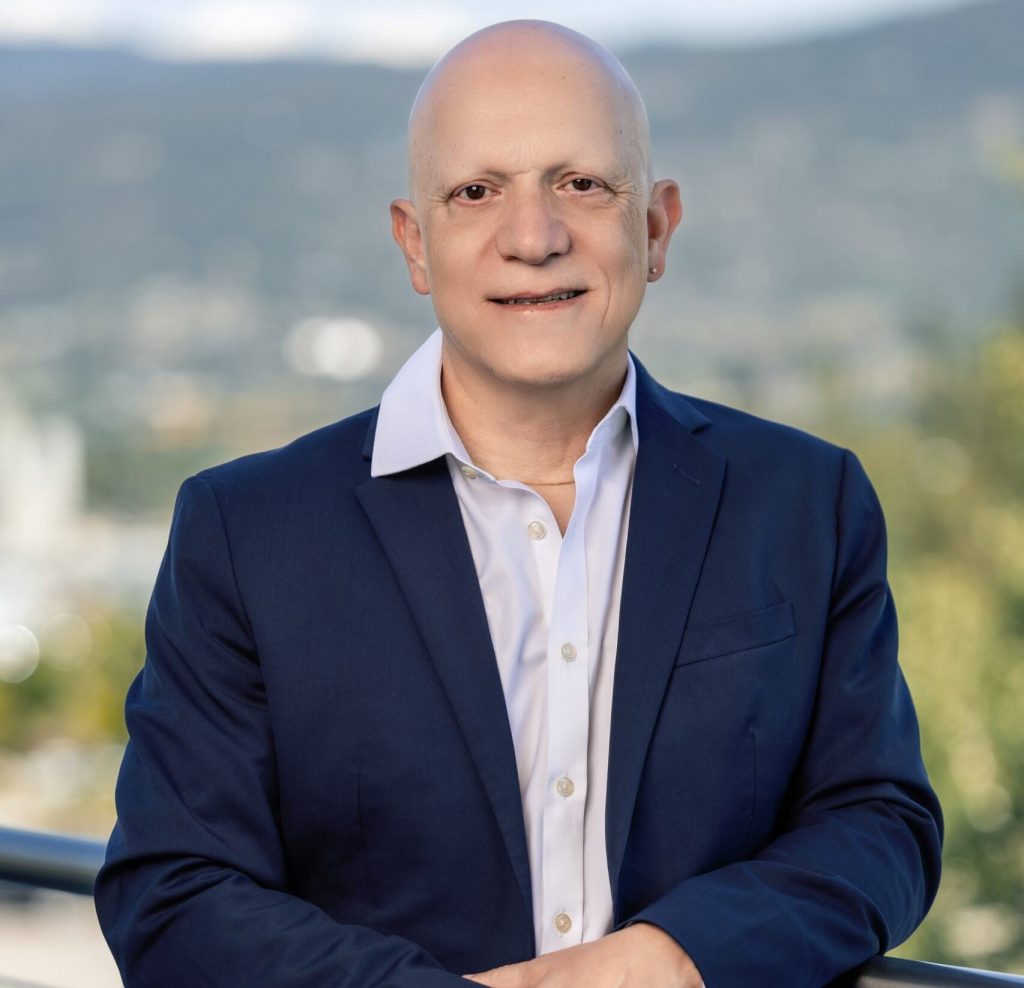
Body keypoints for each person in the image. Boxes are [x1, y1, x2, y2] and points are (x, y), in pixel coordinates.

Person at [95, 20, 942, 988]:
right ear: (415, 244)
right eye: (475, 192)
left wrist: (670, 960)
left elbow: (879, 823)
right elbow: (175, 895)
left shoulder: (802, 500)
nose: (533, 238)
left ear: (655, 227)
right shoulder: (246, 533)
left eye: (580, 184)